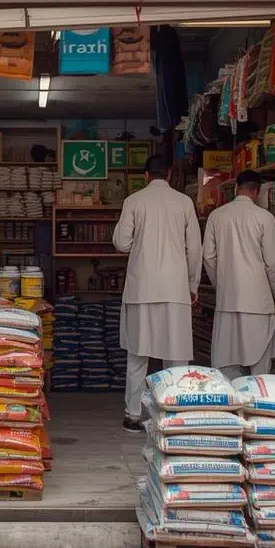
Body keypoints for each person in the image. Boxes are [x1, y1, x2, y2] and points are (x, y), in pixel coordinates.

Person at [113, 155, 203, 432]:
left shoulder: (134, 201)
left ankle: (133, 414)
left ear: (146, 175)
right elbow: (194, 248)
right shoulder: (184, 202)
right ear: (171, 173)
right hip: (175, 289)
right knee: (176, 356)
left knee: (138, 356)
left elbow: (121, 243)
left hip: (142, 289)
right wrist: (192, 285)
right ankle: (174, 412)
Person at [202, 169, 275, 380]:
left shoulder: (216, 216)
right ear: (256, 191)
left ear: (237, 187)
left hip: (227, 302)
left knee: (226, 365)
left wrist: (221, 285)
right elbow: (273, 263)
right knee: (260, 369)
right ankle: (257, 406)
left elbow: (208, 257)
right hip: (258, 302)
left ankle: (230, 409)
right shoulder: (264, 218)